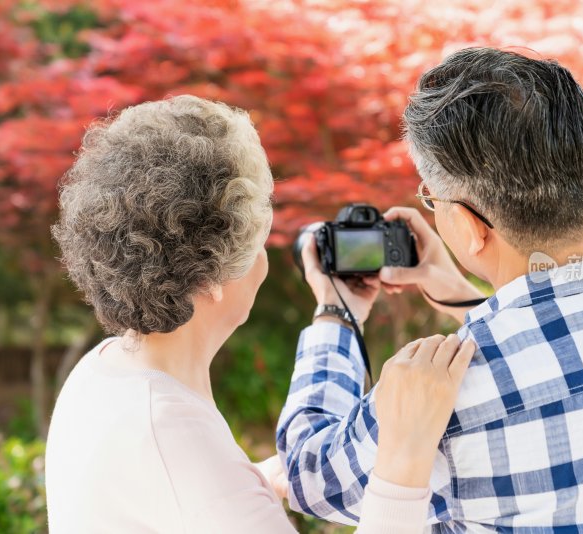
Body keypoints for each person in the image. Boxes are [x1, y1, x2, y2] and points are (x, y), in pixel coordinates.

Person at [276, 47, 583, 532]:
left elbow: (310, 478)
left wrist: (335, 312)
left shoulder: (446, 395)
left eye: (431, 200)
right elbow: (562, 350)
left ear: (466, 224)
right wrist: (453, 288)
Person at [45, 94, 477, 533]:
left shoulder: (99, 372)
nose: (263, 261)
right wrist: (403, 460)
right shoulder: (177, 442)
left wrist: (246, 487)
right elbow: (186, 478)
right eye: (256, 243)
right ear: (210, 277)